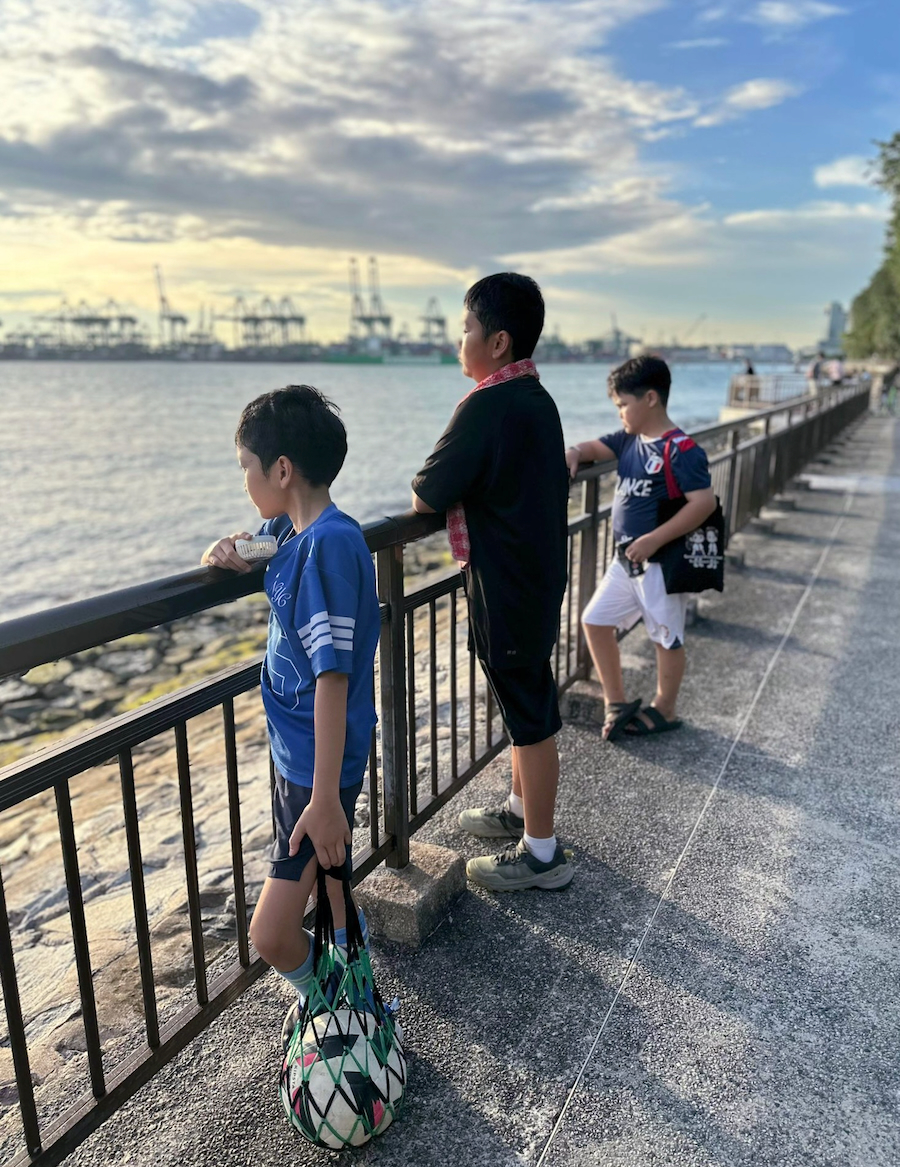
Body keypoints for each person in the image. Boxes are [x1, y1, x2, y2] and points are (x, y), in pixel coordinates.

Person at [202, 384, 381, 1040]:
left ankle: (327, 1002)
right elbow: (247, 546)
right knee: (331, 886)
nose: (244, 480)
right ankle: (356, 1002)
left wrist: (327, 798)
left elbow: (333, 676)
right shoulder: (291, 532)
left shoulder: (328, 546)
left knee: (272, 934)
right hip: (300, 759)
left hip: (316, 772)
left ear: (281, 469)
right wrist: (224, 548)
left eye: (245, 467)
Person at [410, 273, 573, 892]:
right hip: (535, 575)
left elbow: (427, 494)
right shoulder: (536, 398)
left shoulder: (488, 403)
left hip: (506, 582)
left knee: (530, 713)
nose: (460, 341)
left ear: (497, 341)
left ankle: (542, 854)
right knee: (524, 699)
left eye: (466, 329)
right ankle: (519, 809)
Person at [566, 356, 716, 740]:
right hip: (625, 561)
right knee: (594, 620)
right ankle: (615, 701)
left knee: (666, 636)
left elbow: (704, 503)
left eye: (623, 404)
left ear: (650, 398)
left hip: (660, 562)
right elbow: (594, 448)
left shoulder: (681, 450)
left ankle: (665, 708)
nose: (619, 413)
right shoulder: (628, 440)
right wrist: (575, 452)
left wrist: (654, 539)